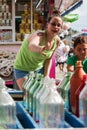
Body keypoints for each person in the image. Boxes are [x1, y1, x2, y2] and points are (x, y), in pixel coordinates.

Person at [13, 10, 63, 90]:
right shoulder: (39, 35)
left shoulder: (57, 41)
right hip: (23, 69)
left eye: (58, 25)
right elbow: (31, 45)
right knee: (29, 96)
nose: (56, 27)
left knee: (41, 95)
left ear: (60, 28)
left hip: (39, 70)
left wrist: (46, 76)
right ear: (47, 25)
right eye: (53, 24)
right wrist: (39, 48)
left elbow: (49, 59)